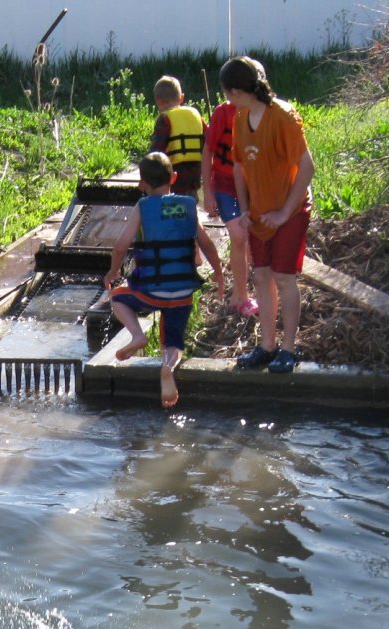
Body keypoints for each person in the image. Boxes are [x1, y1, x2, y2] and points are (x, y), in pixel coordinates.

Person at [104, 151, 225, 409]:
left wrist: (112, 273)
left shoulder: (142, 206)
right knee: (173, 341)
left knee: (116, 297)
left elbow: (120, 247)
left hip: (150, 291)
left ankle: (137, 335)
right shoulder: (189, 205)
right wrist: (219, 274)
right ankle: (168, 367)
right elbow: (208, 246)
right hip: (182, 291)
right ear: (174, 177)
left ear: (141, 185)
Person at [222, 56, 315, 375]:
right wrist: (245, 209)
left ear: (235, 90)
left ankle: (289, 348)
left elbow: (307, 167)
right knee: (261, 276)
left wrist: (284, 212)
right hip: (259, 213)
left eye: (227, 94)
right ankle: (267, 345)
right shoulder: (240, 117)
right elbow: (238, 166)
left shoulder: (284, 116)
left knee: (284, 278)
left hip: (290, 210)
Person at [201, 62, 262, 319]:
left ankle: (259, 291)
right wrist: (208, 192)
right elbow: (208, 152)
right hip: (225, 186)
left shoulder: (262, 114)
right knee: (238, 236)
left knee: (252, 239)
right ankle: (240, 295)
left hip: (254, 188)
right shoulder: (222, 114)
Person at [148, 76, 206, 198]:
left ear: (158, 100)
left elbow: (157, 150)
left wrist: (148, 170)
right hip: (195, 171)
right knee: (190, 201)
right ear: (182, 98)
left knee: (173, 203)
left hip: (174, 172)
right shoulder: (195, 115)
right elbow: (208, 138)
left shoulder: (165, 119)